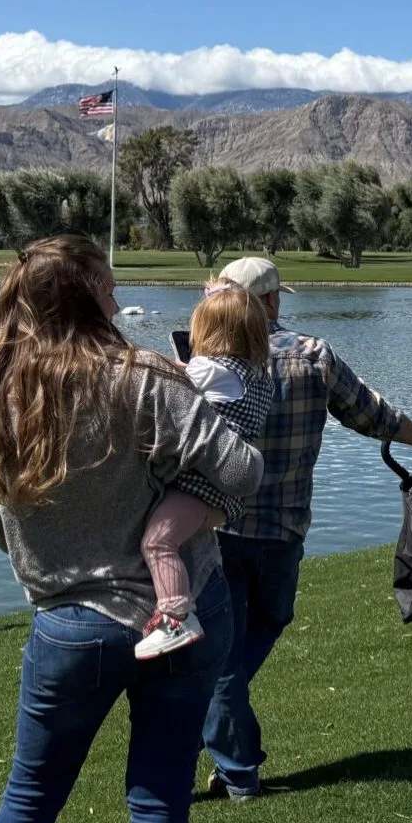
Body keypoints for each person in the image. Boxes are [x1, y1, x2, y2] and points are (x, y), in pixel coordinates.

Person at [0, 235, 264, 823]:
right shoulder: (145, 376)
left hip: (69, 628)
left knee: (29, 799)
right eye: (110, 288)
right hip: (183, 618)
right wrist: (182, 505)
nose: (119, 300)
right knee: (157, 801)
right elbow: (242, 469)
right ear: (87, 297)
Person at [204, 256, 412, 800]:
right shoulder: (311, 356)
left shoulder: (203, 360)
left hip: (212, 528)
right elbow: (374, 415)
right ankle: (239, 769)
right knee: (258, 632)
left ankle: (221, 740)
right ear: (270, 301)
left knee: (223, 655)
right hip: (282, 526)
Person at [134, 282, 274, 660]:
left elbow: (171, 384)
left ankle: (176, 616)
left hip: (200, 486)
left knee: (158, 541)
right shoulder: (259, 375)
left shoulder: (208, 368)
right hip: (225, 497)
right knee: (178, 543)